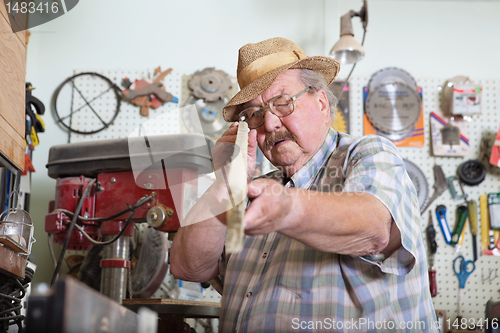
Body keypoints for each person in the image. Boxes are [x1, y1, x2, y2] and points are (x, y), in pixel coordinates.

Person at [170, 37, 437, 332]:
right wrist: (223, 184)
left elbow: (374, 229)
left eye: (282, 103)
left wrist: (286, 208)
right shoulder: (252, 191)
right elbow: (188, 267)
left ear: (321, 103)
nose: (269, 124)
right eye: (255, 115)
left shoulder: (368, 154)